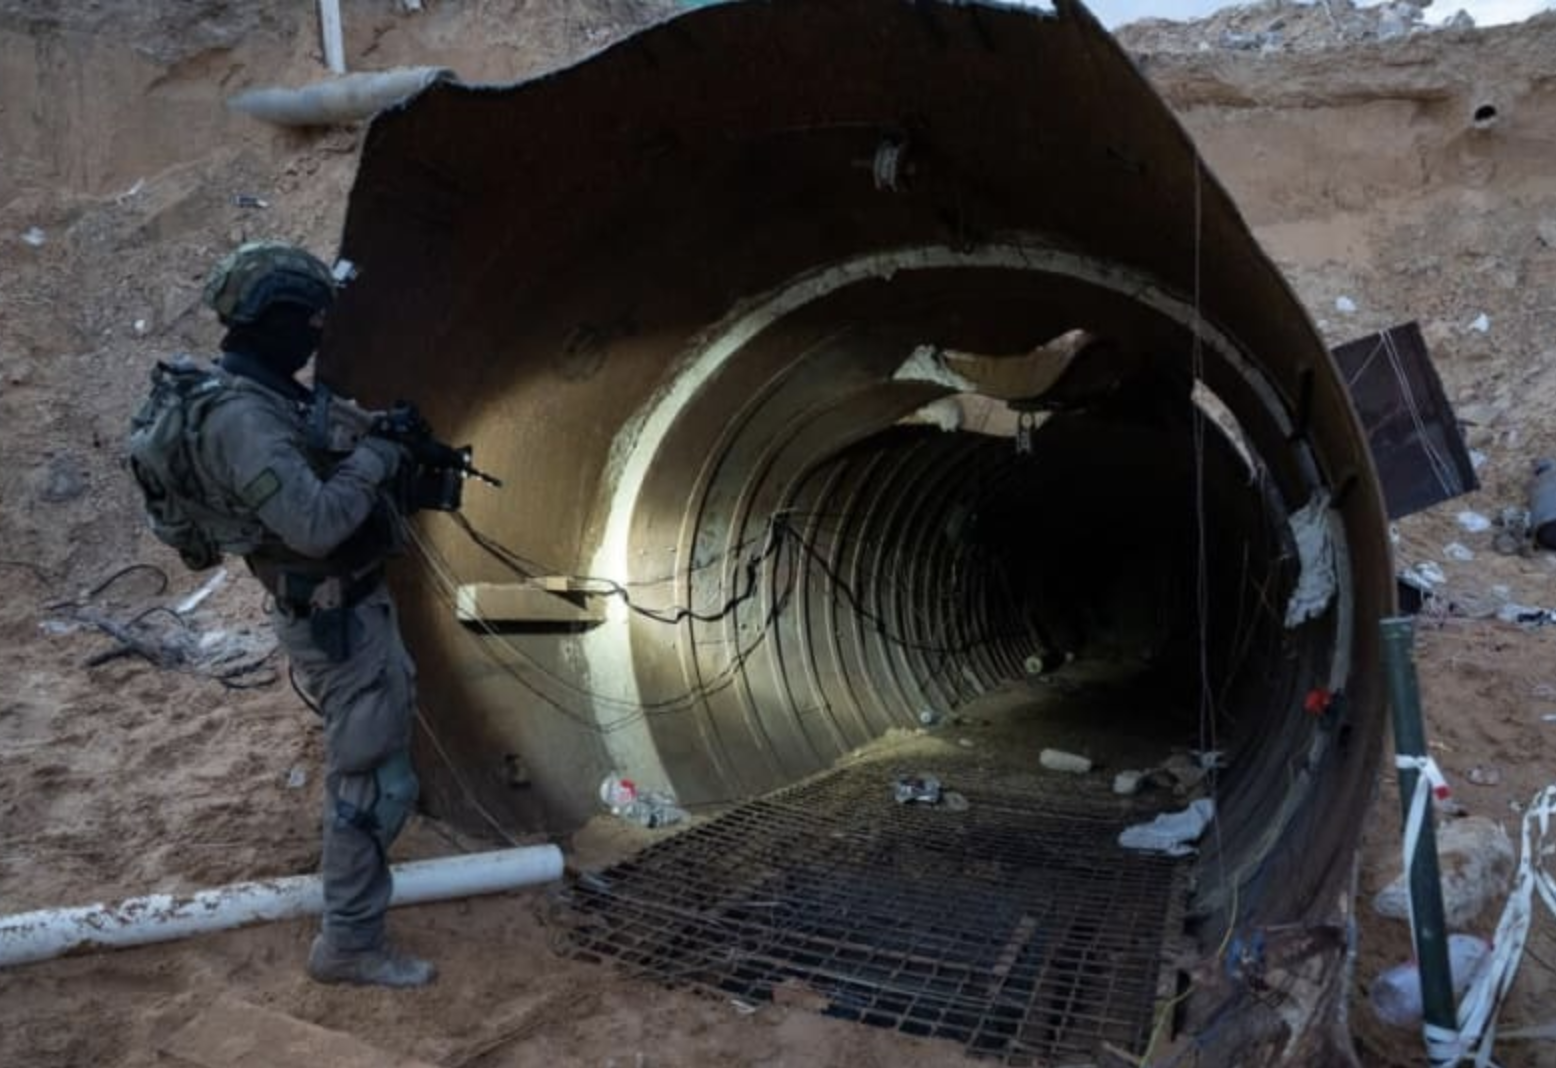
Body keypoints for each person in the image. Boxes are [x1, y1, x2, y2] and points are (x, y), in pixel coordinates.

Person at [189, 241, 434, 987]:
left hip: (348, 610)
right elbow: (316, 524)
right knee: (370, 786)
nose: (318, 332)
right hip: (336, 620)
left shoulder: (262, 392)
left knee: (378, 767)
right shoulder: (241, 418)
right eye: (308, 319)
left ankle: (351, 905)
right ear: (272, 321)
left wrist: (373, 432)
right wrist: (378, 462)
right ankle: (350, 943)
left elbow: (313, 438)